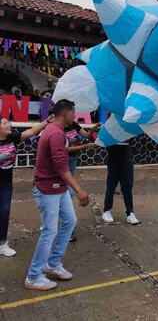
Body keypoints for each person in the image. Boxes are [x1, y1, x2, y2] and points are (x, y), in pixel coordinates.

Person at [25, 99, 89, 291]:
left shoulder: (57, 132)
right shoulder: (55, 133)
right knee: (49, 231)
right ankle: (33, 276)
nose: (75, 116)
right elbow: (62, 167)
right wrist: (78, 189)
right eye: (73, 113)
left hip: (58, 188)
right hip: (47, 189)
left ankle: (53, 263)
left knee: (70, 221)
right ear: (65, 113)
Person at [0, 115, 54, 257]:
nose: (9, 124)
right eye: (5, 123)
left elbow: (31, 132)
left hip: (6, 185)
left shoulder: (12, 138)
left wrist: (47, 121)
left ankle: (2, 244)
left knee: (4, 213)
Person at [65, 120, 100, 241]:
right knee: (67, 193)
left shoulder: (73, 124)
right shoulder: (57, 128)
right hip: (63, 160)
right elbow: (63, 149)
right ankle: (67, 230)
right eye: (72, 112)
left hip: (72, 159)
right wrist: (83, 147)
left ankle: (68, 230)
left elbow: (86, 136)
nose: (74, 115)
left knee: (67, 193)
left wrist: (92, 130)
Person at [102, 141, 139, 225]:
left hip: (126, 159)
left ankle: (130, 212)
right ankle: (106, 210)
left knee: (127, 187)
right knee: (111, 185)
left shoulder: (129, 128)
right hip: (113, 159)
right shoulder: (111, 128)